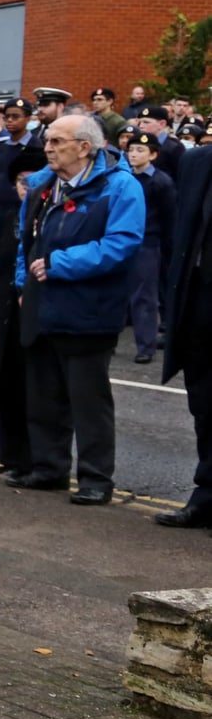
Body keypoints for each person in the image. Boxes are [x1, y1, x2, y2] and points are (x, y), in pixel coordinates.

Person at [10, 114, 145, 505]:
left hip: (89, 309)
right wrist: (24, 283)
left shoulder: (120, 187)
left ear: (85, 147)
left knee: (88, 400)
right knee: (44, 394)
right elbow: (26, 242)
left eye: (57, 141)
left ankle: (96, 478)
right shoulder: (42, 185)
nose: (47, 148)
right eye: (48, 141)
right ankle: (49, 468)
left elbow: (122, 243)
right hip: (43, 305)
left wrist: (60, 264)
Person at [0, 146, 50, 480]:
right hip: (6, 308)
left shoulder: (47, 217)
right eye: (20, 182)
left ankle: (33, 460)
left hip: (33, 311)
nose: (25, 188)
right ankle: (10, 456)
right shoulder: (11, 216)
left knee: (31, 388)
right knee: (5, 384)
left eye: (30, 181)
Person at [161, 138, 212, 527]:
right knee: (205, 403)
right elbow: (184, 234)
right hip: (199, 301)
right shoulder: (197, 161)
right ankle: (205, 496)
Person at [123, 132, 176, 363]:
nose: (134, 154)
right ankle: (109, 339)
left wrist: (167, 248)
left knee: (144, 297)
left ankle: (146, 346)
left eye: (140, 151)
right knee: (118, 293)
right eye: (131, 150)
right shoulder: (124, 178)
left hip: (148, 242)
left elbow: (169, 217)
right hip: (123, 241)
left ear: (153, 155)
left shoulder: (160, 181)